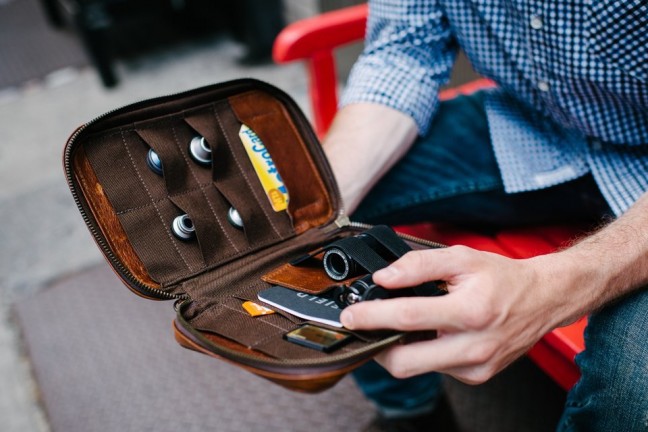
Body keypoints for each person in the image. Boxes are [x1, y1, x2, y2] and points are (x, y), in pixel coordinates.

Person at [321, 1, 648, 431]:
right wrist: (319, 208)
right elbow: (403, 54)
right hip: (537, 126)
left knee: (630, 388)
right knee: (325, 222)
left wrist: (552, 287)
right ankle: (411, 412)